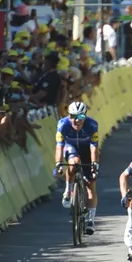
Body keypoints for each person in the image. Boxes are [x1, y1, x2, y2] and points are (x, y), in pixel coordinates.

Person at [55, 100, 100, 234]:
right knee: (73, 163)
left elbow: (94, 148)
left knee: (91, 185)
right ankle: (68, 190)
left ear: (85, 116)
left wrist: (94, 164)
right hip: (71, 148)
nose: (76, 120)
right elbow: (59, 146)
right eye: (73, 116)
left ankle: (91, 221)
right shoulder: (62, 125)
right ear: (69, 116)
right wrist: (58, 163)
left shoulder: (92, 125)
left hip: (87, 150)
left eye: (80, 117)